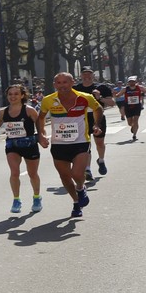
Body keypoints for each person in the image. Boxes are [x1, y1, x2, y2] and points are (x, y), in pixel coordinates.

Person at [37, 73, 103, 219]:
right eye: (59, 83)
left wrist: (96, 124)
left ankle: (80, 187)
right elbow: (40, 117)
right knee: (65, 177)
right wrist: (41, 135)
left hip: (80, 142)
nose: (62, 85)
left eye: (65, 82)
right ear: (54, 84)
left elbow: (98, 109)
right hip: (59, 144)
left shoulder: (85, 97)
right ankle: (76, 202)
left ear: (72, 82)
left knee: (77, 174)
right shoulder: (48, 100)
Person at [0, 84, 45, 214]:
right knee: (14, 173)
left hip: (29, 145)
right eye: (10, 94)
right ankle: (16, 200)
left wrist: (41, 136)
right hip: (12, 145)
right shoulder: (3, 112)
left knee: (32, 173)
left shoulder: (29, 110)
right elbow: (0, 121)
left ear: (22, 95)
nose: (13, 97)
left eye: (16, 94)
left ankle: (37, 197)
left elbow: (39, 122)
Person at [74, 71, 113, 179]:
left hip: (98, 117)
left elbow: (112, 103)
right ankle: (87, 169)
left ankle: (101, 160)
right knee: (86, 145)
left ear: (93, 76)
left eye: (89, 74)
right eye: (84, 74)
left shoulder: (101, 87)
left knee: (99, 143)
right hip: (81, 118)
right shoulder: (75, 89)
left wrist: (99, 97)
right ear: (81, 76)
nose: (86, 77)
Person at [121, 76, 146, 140]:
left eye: (133, 81)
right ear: (128, 82)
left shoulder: (140, 87)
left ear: (135, 82)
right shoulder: (125, 89)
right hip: (128, 107)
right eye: (130, 82)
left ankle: (134, 135)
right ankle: (133, 126)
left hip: (137, 106)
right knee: (130, 123)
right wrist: (114, 94)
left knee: (135, 120)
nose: (132, 83)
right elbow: (118, 95)